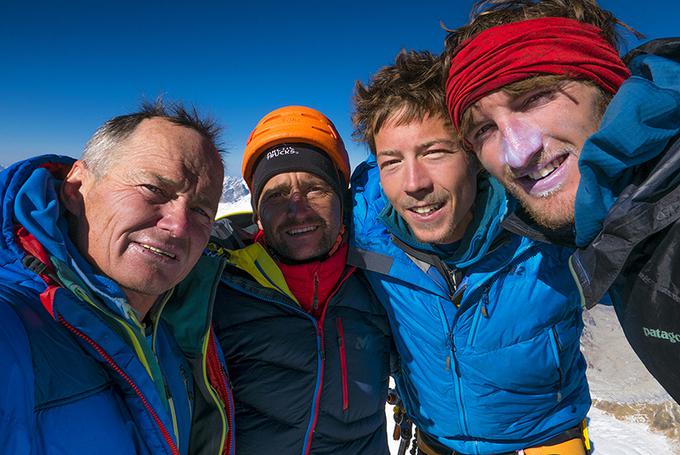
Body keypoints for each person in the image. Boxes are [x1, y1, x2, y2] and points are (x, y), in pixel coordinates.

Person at [351, 50, 590, 455]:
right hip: (434, 441)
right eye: (392, 161)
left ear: (474, 154)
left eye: (434, 152)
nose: (413, 183)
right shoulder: (365, 230)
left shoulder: (547, 220)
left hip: (545, 439)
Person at [443, 0, 680, 402]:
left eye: (534, 97)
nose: (517, 154)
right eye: (485, 128)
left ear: (607, 88)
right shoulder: (610, 224)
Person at [0, 101, 234, 454]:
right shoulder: (15, 326)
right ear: (75, 187)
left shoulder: (173, 325)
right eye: (154, 189)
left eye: (201, 210)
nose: (179, 226)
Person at [210, 106, 392, 455]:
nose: (298, 210)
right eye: (276, 195)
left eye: (315, 189)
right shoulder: (216, 277)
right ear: (257, 212)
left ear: (342, 199)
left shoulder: (383, 278)